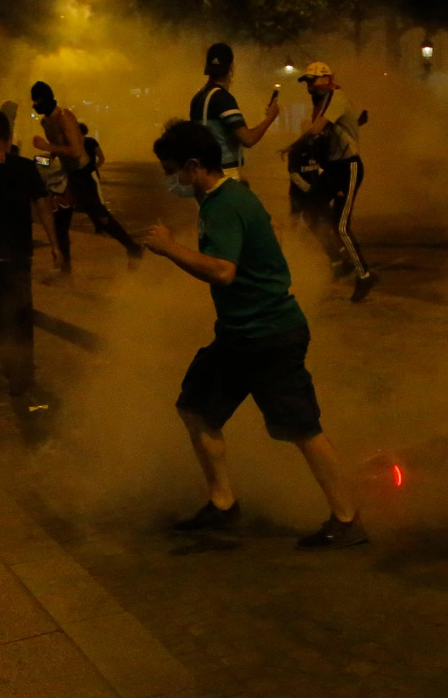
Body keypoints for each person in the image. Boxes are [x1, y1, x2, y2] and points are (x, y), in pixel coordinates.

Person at [140, 120, 367, 551]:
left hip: (269, 335)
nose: (171, 181)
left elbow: (224, 271)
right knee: (196, 408)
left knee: (302, 428)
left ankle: (347, 518)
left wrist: (170, 248)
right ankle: (223, 504)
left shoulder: (226, 204)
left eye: (172, 171)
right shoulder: (219, 201)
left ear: (193, 165)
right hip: (238, 336)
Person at [0, 110, 61, 398]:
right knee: (21, 314)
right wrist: (54, 245)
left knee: (0, 317)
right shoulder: (25, 166)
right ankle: (25, 373)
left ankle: (12, 373)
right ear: (9, 135)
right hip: (20, 255)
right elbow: (43, 205)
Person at [285, 61, 377, 302]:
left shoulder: (335, 97)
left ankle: (364, 275)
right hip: (334, 168)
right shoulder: (324, 101)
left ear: (325, 79)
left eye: (312, 81)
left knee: (341, 226)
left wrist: (293, 145)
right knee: (310, 210)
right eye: (307, 82)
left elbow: (317, 129)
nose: (309, 86)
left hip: (348, 167)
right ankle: (337, 259)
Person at [31, 81, 143, 273]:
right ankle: (66, 273)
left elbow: (75, 151)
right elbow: (57, 154)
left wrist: (46, 147)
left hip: (82, 175)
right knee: (61, 224)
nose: (36, 105)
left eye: (38, 101)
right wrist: (40, 161)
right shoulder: (46, 122)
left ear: (47, 99)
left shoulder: (65, 117)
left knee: (101, 219)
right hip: (67, 178)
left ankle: (133, 248)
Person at [189, 42, 280, 180]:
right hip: (222, 173)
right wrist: (270, 118)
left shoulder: (198, 97)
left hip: (203, 173)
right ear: (231, 67)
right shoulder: (222, 98)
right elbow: (248, 139)